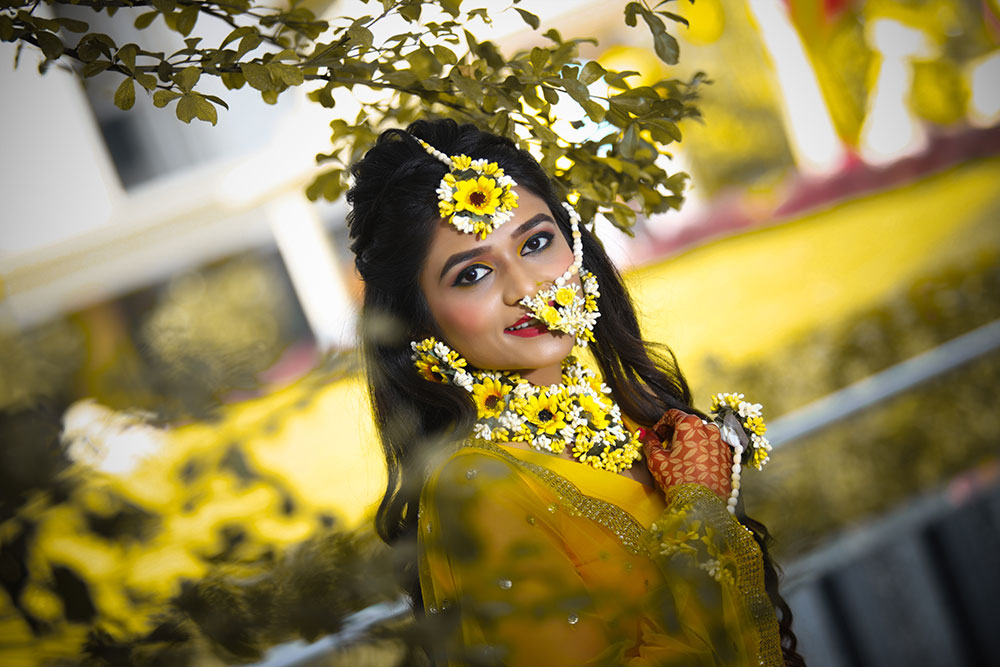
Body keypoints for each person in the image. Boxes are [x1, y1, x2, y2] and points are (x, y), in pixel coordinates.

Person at [347, 118, 804, 666]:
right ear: (419, 322)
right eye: (472, 274)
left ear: (576, 247)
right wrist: (700, 508)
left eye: (536, 243)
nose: (526, 287)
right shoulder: (477, 490)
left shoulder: (636, 428)